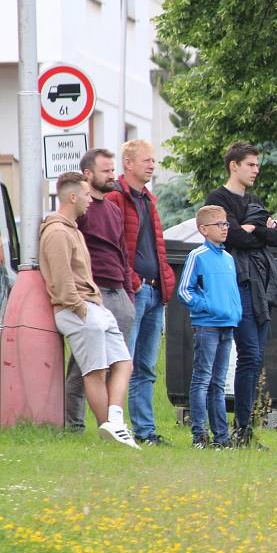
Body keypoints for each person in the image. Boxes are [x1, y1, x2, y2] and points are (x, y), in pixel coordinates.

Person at [39, 172, 139, 449]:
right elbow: (61, 280)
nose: (89, 201)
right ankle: (110, 432)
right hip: (79, 309)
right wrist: (80, 308)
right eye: (85, 195)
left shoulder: (72, 229)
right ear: (72, 196)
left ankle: (115, 423)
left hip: (94, 306)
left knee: (124, 363)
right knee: (95, 371)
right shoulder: (57, 231)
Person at [205, 142, 277, 447]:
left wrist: (255, 229)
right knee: (248, 353)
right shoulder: (218, 198)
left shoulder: (254, 199)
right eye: (250, 164)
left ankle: (244, 428)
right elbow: (234, 236)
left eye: (257, 165)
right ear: (234, 166)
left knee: (255, 357)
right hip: (237, 284)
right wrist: (250, 229)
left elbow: (276, 237)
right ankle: (240, 428)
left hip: (261, 285)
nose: (256, 170)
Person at [106, 139, 176, 447]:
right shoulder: (115, 198)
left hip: (154, 292)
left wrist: (166, 281)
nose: (152, 165)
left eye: (153, 161)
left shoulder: (149, 200)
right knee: (126, 363)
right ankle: (118, 426)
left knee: (146, 367)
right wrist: (132, 281)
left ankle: (146, 432)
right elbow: (116, 245)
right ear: (128, 164)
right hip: (133, 292)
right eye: (146, 160)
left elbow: (157, 247)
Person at [64, 148, 137, 433]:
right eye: (106, 170)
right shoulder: (81, 211)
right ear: (88, 174)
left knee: (118, 362)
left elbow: (122, 253)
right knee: (84, 366)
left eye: (112, 169)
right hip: (92, 293)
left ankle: (111, 425)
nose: (112, 175)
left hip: (119, 292)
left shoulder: (114, 209)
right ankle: (74, 426)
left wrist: (129, 295)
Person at [177, 205, 242, 449]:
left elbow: (232, 292)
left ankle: (221, 436)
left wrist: (234, 312)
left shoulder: (228, 258)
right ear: (203, 229)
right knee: (202, 379)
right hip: (207, 326)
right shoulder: (197, 256)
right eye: (219, 224)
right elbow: (185, 290)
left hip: (227, 325)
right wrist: (208, 307)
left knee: (218, 382)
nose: (225, 229)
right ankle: (199, 435)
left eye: (226, 224)